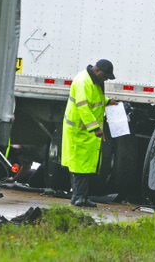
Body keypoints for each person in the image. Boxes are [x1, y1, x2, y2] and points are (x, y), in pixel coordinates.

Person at [61, 59, 118, 208]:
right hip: (79, 131)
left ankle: (79, 197)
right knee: (80, 166)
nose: (106, 79)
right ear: (97, 71)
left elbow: (94, 101)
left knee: (83, 165)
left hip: (83, 131)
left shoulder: (91, 81)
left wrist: (107, 101)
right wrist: (95, 128)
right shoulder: (84, 82)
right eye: (105, 76)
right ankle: (80, 197)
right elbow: (84, 108)